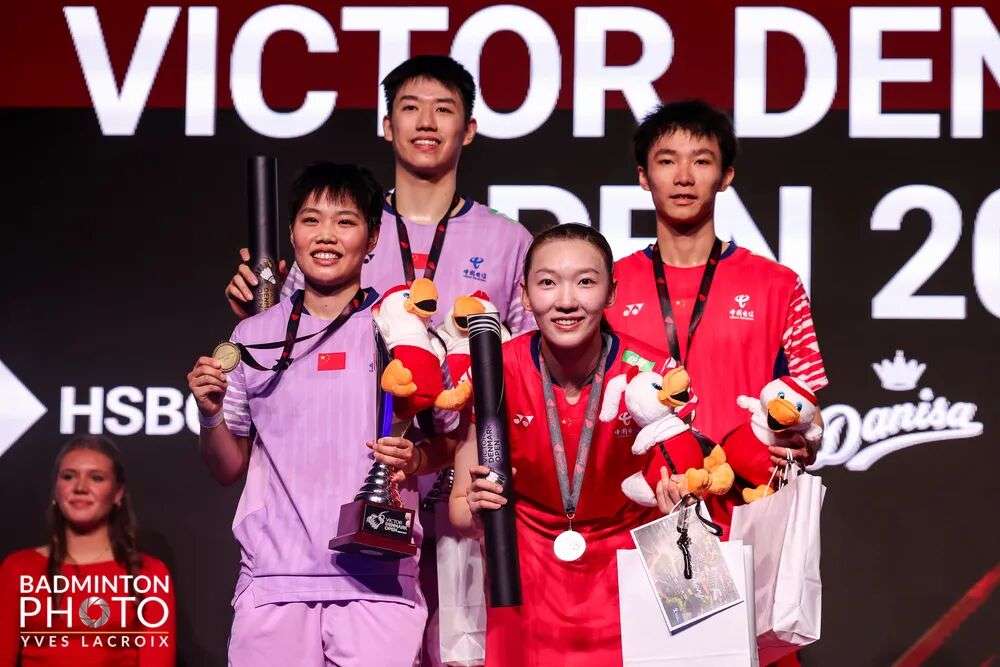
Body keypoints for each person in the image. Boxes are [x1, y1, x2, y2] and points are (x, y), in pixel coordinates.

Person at [187, 163, 450, 665]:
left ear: (372, 238)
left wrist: (416, 460)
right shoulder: (251, 337)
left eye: (345, 222)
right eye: (312, 220)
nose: (326, 235)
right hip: (274, 583)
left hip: (378, 581)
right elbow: (227, 467)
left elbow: (451, 441)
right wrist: (211, 415)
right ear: (292, 233)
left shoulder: (404, 330)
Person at [605, 100, 827, 667]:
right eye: (667, 161)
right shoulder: (607, 287)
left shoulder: (777, 285)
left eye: (701, 161)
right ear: (643, 176)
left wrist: (805, 437)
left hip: (747, 517)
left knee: (744, 657)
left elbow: (809, 407)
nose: (683, 176)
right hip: (640, 516)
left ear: (726, 175)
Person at [449, 224, 703, 666]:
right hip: (522, 573)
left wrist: (679, 500)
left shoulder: (655, 375)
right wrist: (475, 505)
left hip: (631, 569)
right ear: (525, 294)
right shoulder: (493, 370)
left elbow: (690, 488)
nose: (566, 301)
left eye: (585, 282)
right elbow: (458, 511)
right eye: (547, 282)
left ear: (611, 292)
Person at [225, 55, 535, 335]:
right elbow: (290, 347)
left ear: (468, 130)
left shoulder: (509, 240)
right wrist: (260, 311)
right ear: (388, 126)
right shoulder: (341, 229)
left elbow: (533, 357)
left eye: (443, 109)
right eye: (410, 107)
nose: (426, 123)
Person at [0, 436, 177, 667]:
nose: (80, 487)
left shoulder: (149, 573)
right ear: (56, 489)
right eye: (68, 476)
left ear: (118, 493)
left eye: (96, 478)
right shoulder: (18, 569)